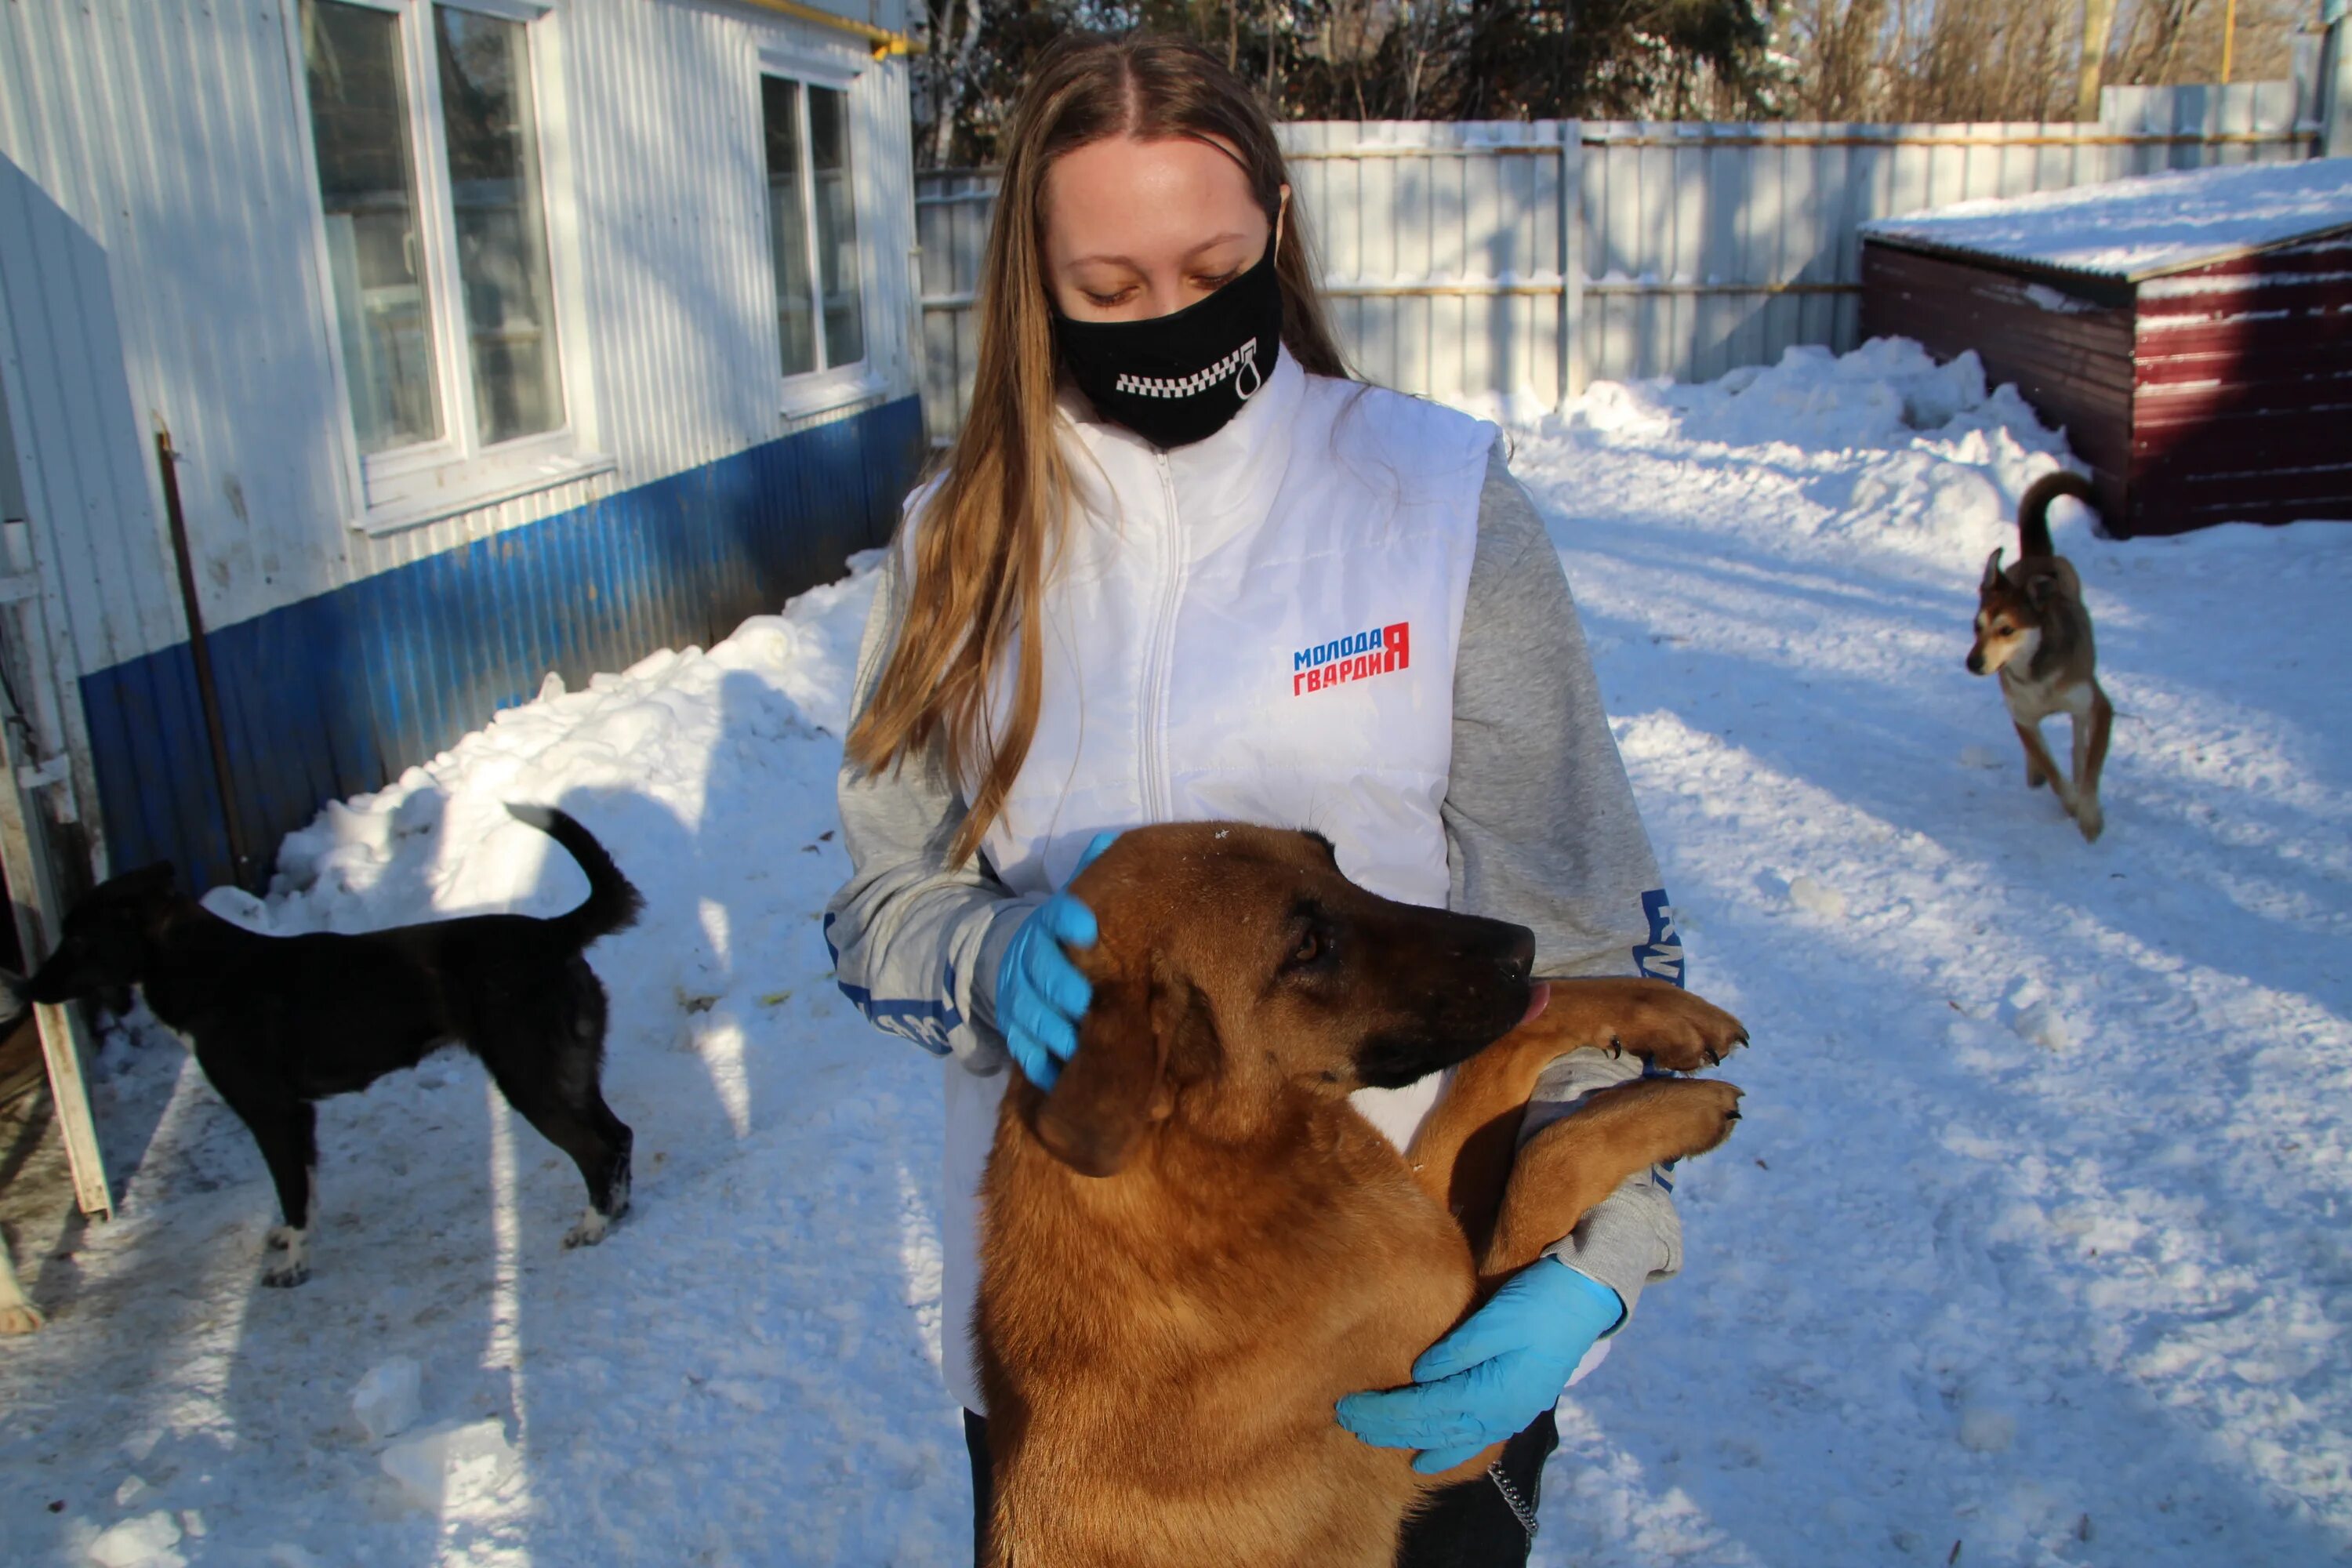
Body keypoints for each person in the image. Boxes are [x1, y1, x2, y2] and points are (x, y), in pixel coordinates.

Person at [825, 33, 1690, 1566]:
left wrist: (1601, 1256)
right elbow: (881, 898)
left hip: (1387, 1329)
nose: (1168, 315)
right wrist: (978, 954)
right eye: (1109, 288)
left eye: (1211, 262)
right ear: (1035, 276)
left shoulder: (1435, 511)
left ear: (1277, 232)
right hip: (1085, 1375)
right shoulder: (959, 551)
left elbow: (1576, 919)